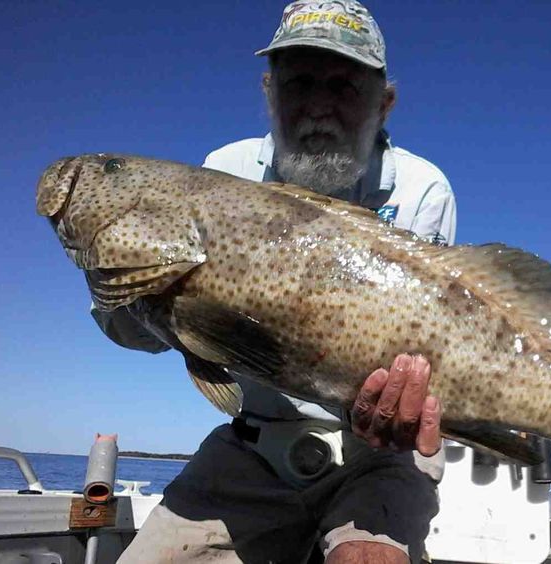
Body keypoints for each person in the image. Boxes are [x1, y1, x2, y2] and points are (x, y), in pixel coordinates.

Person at [102, 2, 457, 563]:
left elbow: (430, 346)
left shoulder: (422, 188)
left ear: (384, 104)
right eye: (299, 84)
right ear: (269, 92)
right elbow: (148, 333)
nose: (319, 106)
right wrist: (130, 295)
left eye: (344, 86)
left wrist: (407, 409)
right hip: (255, 444)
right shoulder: (223, 170)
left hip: (378, 455)